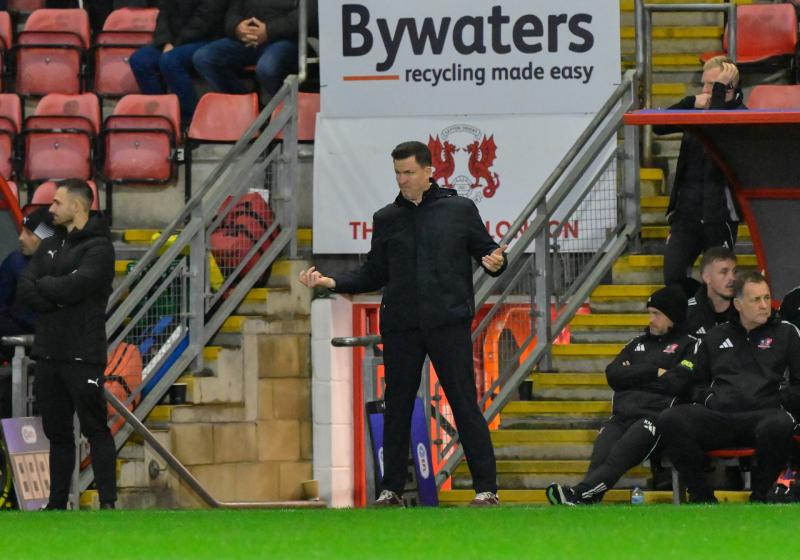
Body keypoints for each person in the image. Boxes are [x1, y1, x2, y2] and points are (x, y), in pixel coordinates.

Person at [298, 141, 507, 507]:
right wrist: (332, 282)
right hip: (401, 326)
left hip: (447, 322)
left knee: (463, 404)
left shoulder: (459, 209)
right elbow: (374, 273)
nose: (402, 180)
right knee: (396, 405)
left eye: (409, 172)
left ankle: (486, 489)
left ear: (429, 172)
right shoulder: (386, 219)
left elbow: (488, 251)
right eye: (397, 173)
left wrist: (495, 263)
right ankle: (390, 489)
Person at [16, 180, 117, 510]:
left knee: (95, 428)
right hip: (48, 353)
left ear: (77, 206)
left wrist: (50, 289)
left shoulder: (100, 248)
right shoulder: (48, 245)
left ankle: (108, 504)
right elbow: (26, 289)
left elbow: (79, 285)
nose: (51, 209)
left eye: (57, 203)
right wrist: (56, 294)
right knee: (57, 433)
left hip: (83, 356)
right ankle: (56, 504)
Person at [658, 271, 800, 503]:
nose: (765, 305)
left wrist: (780, 398)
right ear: (738, 304)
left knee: (780, 424)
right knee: (670, 419)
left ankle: (760, 495)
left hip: (763, 416)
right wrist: (708, 399)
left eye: (766, 297)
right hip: (721, 416)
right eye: (756, 300)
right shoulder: (716, 336)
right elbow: (694, 381)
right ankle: (702, 497)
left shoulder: (786, 333)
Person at [546, 285, 695, 505]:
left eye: (657, 314)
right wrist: (653, 371)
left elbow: (678, 382)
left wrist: (634, 373)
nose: (651, 319)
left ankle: (578, 494)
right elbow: (613, 374)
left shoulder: (690, 345)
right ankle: (585, 499)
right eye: (649, 313)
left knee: (618, 457)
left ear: (673, 317)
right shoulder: (636, 344)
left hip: (655, 418)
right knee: (601, 455)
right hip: (622, 416)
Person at [654, 56, 745, 289]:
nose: (705, 90)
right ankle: (695, 311)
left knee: (719, 283)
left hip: (720, 215)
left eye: (711, 84)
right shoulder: (697, 112)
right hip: (686, 215)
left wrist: (717, 96)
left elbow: (714, 131)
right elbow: (659, 125)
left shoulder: (742, 114)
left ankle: (709, 316)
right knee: (673, 276)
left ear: (728, 88)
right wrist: (690, 101)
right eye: (704, 84)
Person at [193, 0, 318, 103]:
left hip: (288, 39)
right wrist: (237, 27)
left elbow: (309, 15)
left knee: (267, 67)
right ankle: (246, 106)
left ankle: (289, 110)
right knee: (204, 57)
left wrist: (269, 31)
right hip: (249, 39)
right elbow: (233, 12)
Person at [129, 0, 228, 124]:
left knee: (170, 60)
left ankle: (189, 120)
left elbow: (204, 21)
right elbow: (163, 13)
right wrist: (165, 41)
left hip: (206, 40)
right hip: (172, 40)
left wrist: (175, 44)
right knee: (139, 60)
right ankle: (160, 116)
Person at [0, 207, 56, 418]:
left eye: (30, 233)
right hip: (16, 349)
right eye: (22, 231)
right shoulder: (13, 263)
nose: (21, 238)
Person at [685, 246, 738, 338]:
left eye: (734, 272)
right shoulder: (687, 313)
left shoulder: (745, 311)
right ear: (706, 277)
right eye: (724, 272)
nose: (732, 278)